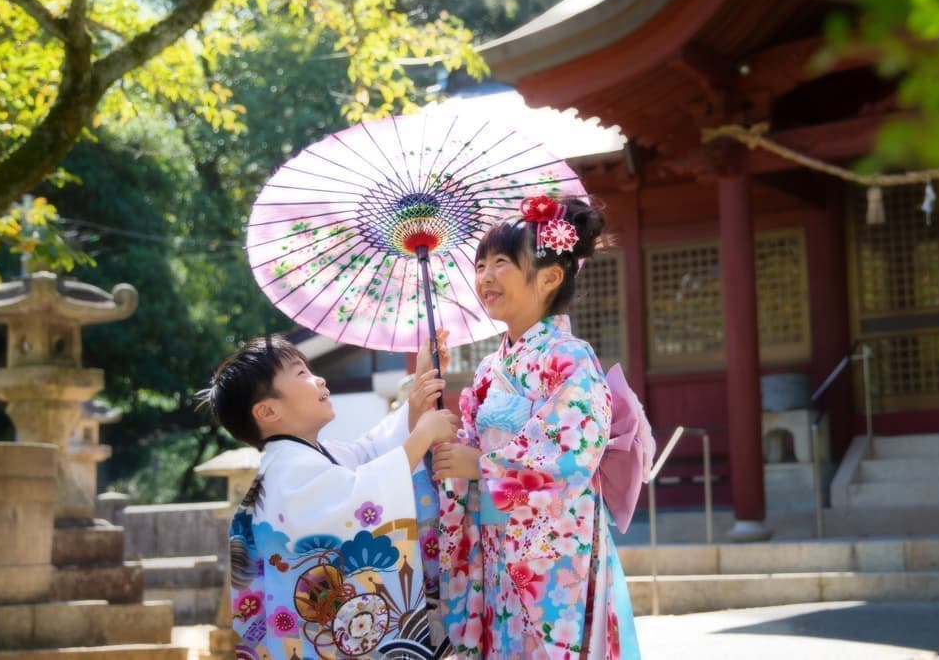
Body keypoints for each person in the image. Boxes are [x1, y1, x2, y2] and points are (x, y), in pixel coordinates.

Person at [433, 195, 641, 658]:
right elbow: (462, 451)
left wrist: (480, 466)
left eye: (501, 263)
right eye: (480, 264)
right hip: (495, 545)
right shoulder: (489, 368)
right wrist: (433, 416)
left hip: (551, 553)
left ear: (549, 277)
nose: (485, 276)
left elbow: (571, 454)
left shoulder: (569, 357)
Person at [202, 333, 458, 660]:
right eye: (301, 373)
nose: (319, 379)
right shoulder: (287, 473)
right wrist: (422, 434)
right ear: (267, 411)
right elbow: (359, 495)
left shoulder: (311, 457)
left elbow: (373, 452)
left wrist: (419, 392)